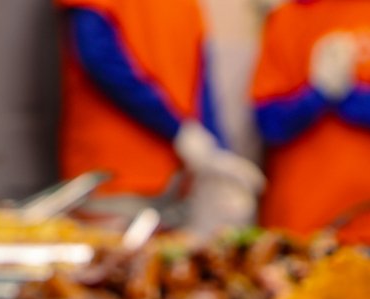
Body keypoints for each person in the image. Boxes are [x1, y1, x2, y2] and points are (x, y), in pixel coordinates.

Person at [55, 0, 264, 231]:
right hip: (115, 178)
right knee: (111, 252)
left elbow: (200, 86)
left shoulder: (188, 7)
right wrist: (176, 129)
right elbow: (100, 59)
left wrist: (220, 156)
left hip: (176, 183)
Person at [251, 0, 370, 246]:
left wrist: (350, 96)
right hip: (297, 227)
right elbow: (269, 123)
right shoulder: (289, 16)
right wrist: (316, 96)